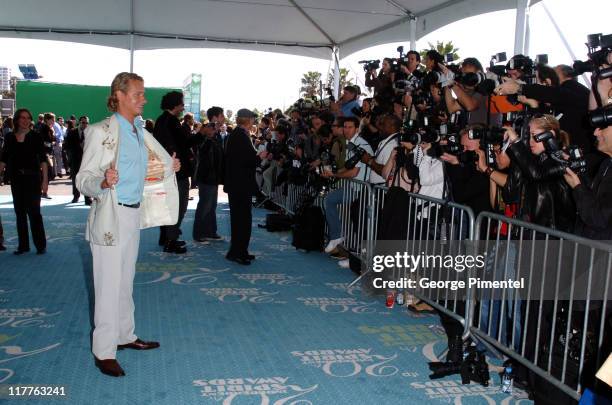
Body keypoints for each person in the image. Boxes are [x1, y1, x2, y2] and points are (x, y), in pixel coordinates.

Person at [76, 72, 181, 377]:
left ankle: (125, 335)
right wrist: (103, 182)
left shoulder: (139, 130)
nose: (143, 99)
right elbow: (83, 179)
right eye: (137, 94)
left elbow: (145, 170)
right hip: (110, 214)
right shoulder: (100, 131)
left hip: (133, 213)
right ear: (119, 95)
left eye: (143, 94)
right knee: (108, 284)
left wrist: (166, 168)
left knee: (124, 280)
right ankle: (104, 351)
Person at [0, 108, 48, 255]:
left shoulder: (36, 136)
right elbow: (3, 159)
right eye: (22, 118)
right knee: (19, 213)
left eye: (28, 118)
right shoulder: (9, 137)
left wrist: (45, 180)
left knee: (34, 213)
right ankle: (23, 246)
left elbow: (43, 160)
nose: (26, 120)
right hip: (16, 179)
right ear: (17, 120)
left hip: (33, 178)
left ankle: (40, 245)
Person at [224, 108, 268, 265]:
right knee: (242, 220)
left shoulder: (237, 135)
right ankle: (238, 252)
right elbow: (246, 160)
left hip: (238, 184)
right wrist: (259, 157)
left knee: (240, 219)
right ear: (248, 120)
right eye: (253, 119)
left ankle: (238, 251)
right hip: (240, 185)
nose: (254, 122)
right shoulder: (240, 136)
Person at [153, 91, 191, 254]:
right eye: (182, 103)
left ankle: (166, 237)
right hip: (175, 171)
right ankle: (171, 240)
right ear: (175, 105)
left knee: (169, 205)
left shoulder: (162, 120)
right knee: (178, 206)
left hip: (167, 170)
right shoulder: (171, 122)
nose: (183, 107)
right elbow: (184, 143)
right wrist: (202, 135)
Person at [193, 120, 224, 242]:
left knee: (211, 206)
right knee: (205, 206)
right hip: (206, 178)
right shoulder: (203, 141)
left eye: (214, 127)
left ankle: (210, 231)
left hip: (213, 178)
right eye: (211, 128)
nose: (214, 129)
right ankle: (199, 233)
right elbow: (203, 152)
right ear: (205, 130)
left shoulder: (215, 140)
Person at [64, 116, 92, 204]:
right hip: (75, 159)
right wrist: (78, 146)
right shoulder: (72, 132)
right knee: (75, 179)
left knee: (87, 179)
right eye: (83, 122)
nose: (85, 124)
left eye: (87, 123)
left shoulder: (91, 132)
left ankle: (87, 198)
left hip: (87, 160)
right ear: (79, 123)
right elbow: (67, 145)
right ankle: (76, 196)